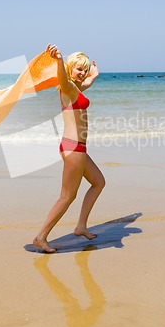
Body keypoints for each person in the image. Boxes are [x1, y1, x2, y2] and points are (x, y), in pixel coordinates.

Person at [33, 44, 105, 253]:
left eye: (84, 69)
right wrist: (58, 61)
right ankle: (41, 237)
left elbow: (86, 83)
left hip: (78, 148)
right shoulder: (67, 87)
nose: (82, 73)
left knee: (99, 182)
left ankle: (81, 226)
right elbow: (64, 79)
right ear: (70, 68)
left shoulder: (76, 88)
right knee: (67, 196)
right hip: (74, 149)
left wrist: (93, 76)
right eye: (78, 69)